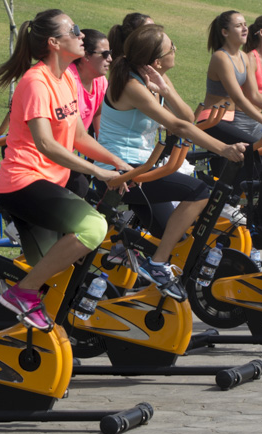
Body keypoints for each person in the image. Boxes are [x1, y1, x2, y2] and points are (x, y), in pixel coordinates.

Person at [0, 10, 132, 330]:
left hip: (49, 182)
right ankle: (21, 292)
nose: (82, 36)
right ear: (54, 43)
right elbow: (47, 145)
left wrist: (117, 163)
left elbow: (79, 136)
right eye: (75, 30)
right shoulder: (35, 82)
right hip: (23, 183)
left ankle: (32, 346)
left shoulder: (67, 77)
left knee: (55, 279)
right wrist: (99, 173)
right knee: (93, 228)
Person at [98, 23, 247, 298]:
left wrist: (165, 90)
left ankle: (127, 246)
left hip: (143, 166)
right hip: (124, 171)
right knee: (200, 192)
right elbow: (178, 128)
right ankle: (157, 264)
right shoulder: (132, 86)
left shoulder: (152, 80)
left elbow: (188, 118)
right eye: (172, 47)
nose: (175, 50)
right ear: (156, 60)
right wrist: (224, 149)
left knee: (171, 233)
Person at [198, 10, 262, 152]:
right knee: (257, 147)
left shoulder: (243, 57)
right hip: (212, 120)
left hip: (229, 119)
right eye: (238, 26)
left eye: (245, 25)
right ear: (225, 32)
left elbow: (253, 95)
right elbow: (239, 98)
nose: (245, 28)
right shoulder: (221, 58)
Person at [69, 29, 110, 136]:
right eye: (105, 54)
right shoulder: (67, 79)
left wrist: (103, 144)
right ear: (86, 55)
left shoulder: (100, 81)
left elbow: (98, 113)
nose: (110, 59)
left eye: (110, 53)